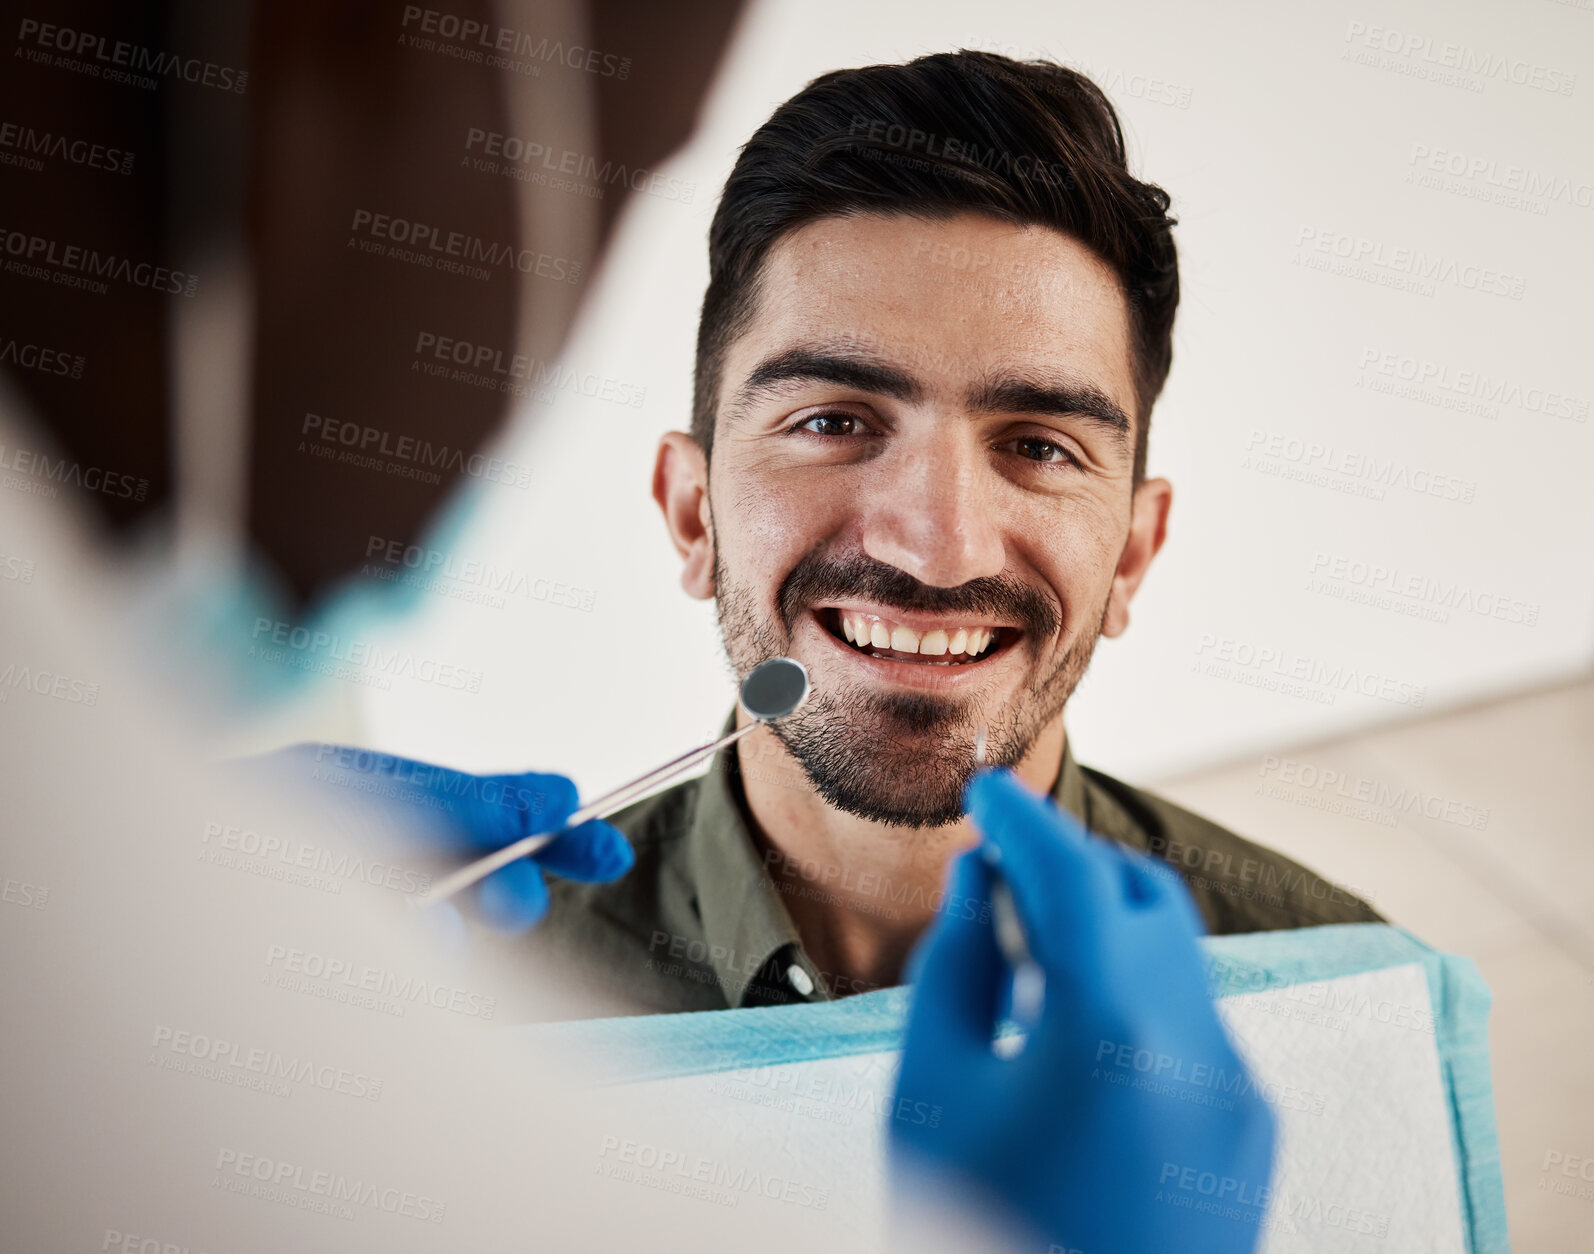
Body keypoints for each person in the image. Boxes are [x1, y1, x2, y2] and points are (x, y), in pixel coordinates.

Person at [408, 51, 1378, 1016]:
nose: (936, 548)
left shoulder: (1335, 988)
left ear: (1130, 554)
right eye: (833, 423)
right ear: (692, 513)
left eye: (1038, 446)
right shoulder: (443, 985)